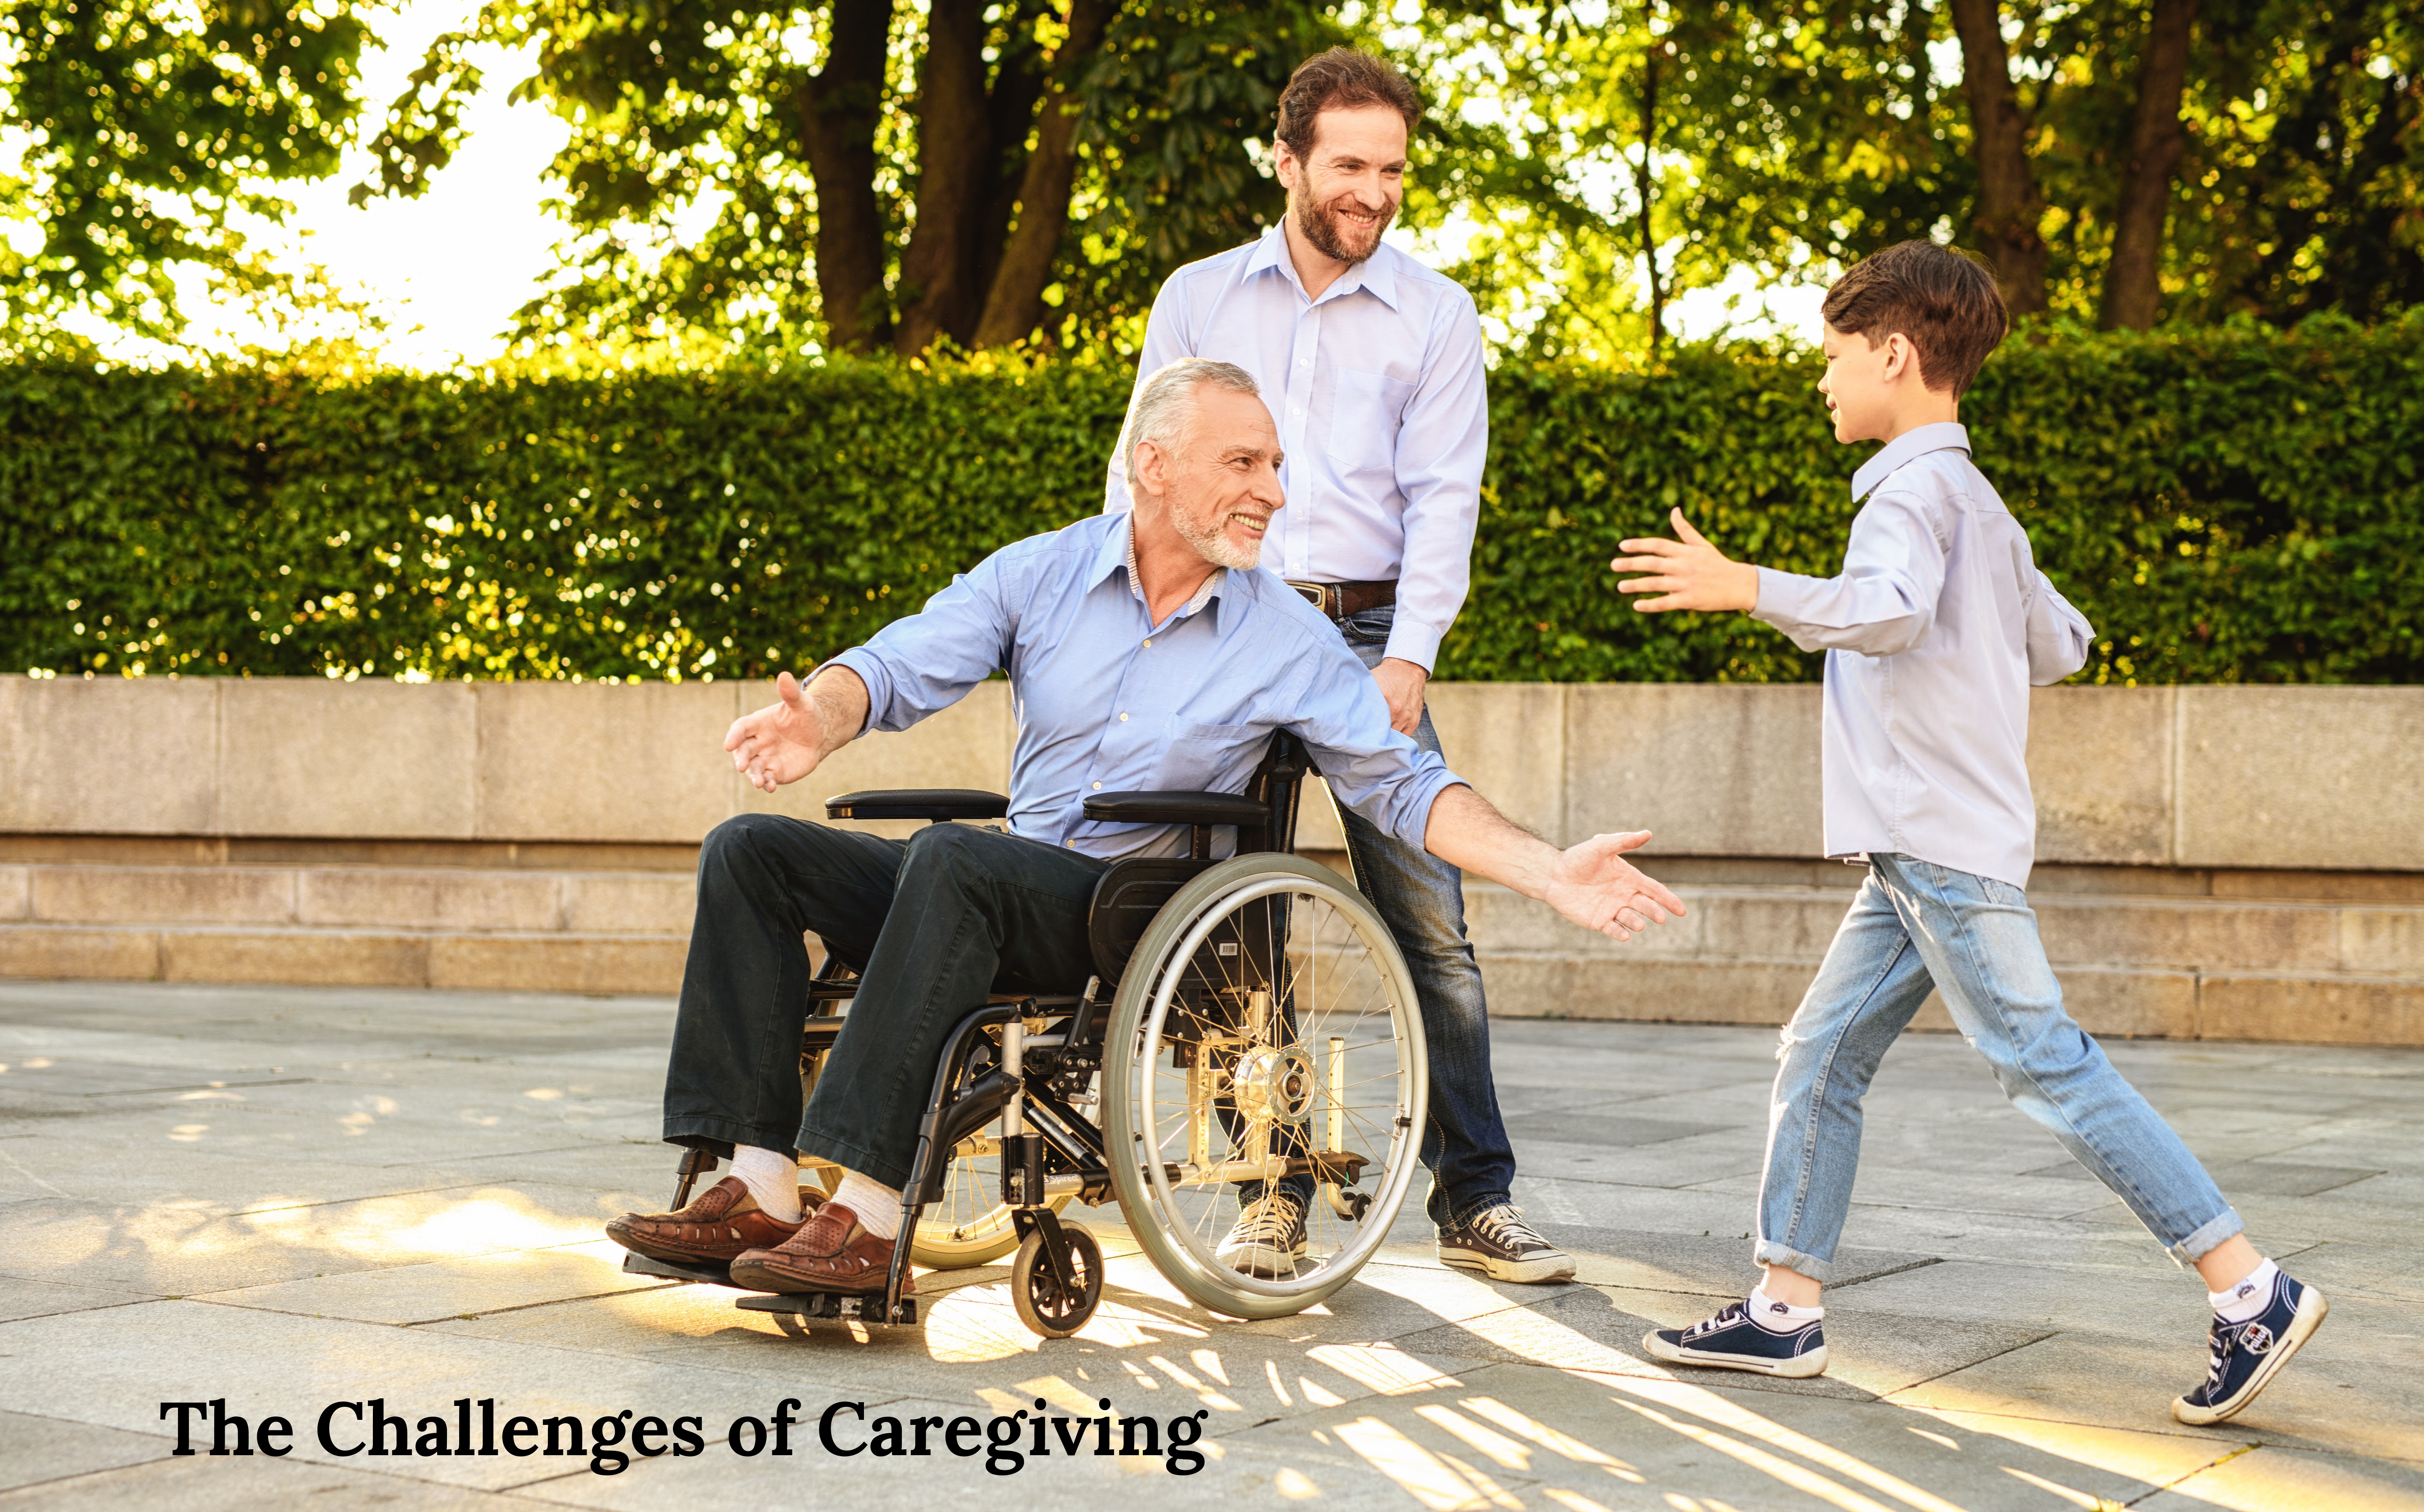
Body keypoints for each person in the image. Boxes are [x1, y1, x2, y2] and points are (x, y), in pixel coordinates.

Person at [606, 358, 1687, 1297]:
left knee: (951, 860)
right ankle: (755, 1183)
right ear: (1154, 465)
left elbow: (1401, 785)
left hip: (1118, 912)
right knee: (752, 852)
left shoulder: (1289, 640)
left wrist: (1549, 872)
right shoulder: (1045, 571)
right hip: (991, 878)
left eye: (1275, 465)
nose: (1272, 490)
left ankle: (870, 1217)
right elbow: (903, 662)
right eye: (1243, 463)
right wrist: (824, 719)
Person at [1608, 242, 2326, 1425]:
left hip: (1937, 844)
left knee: (2046, 1062)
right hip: (1919, 845)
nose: (1824, 382)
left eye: (1835, 359)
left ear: (1895, 355)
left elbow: (1887, 615)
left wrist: (1751, 585)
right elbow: (2066, 643)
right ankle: (1783, 1311)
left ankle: (2248, 1286)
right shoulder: (1974, 504)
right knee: (1821, 1054)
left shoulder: (1914, 493)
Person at [1101, 48, 1564, 1284]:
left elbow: (1444, 499)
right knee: (1230, 925)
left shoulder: (1437, 314)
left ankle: (1475, 1195)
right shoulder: (1199, 297)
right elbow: (1141, 471)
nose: (1374, 191)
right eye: (1350, 165)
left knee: (1432, 918)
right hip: (1229, 627)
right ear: (1289, 159)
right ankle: (1272, 1187)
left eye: (1393, 169)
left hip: (1364, 638)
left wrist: (1408, 655)